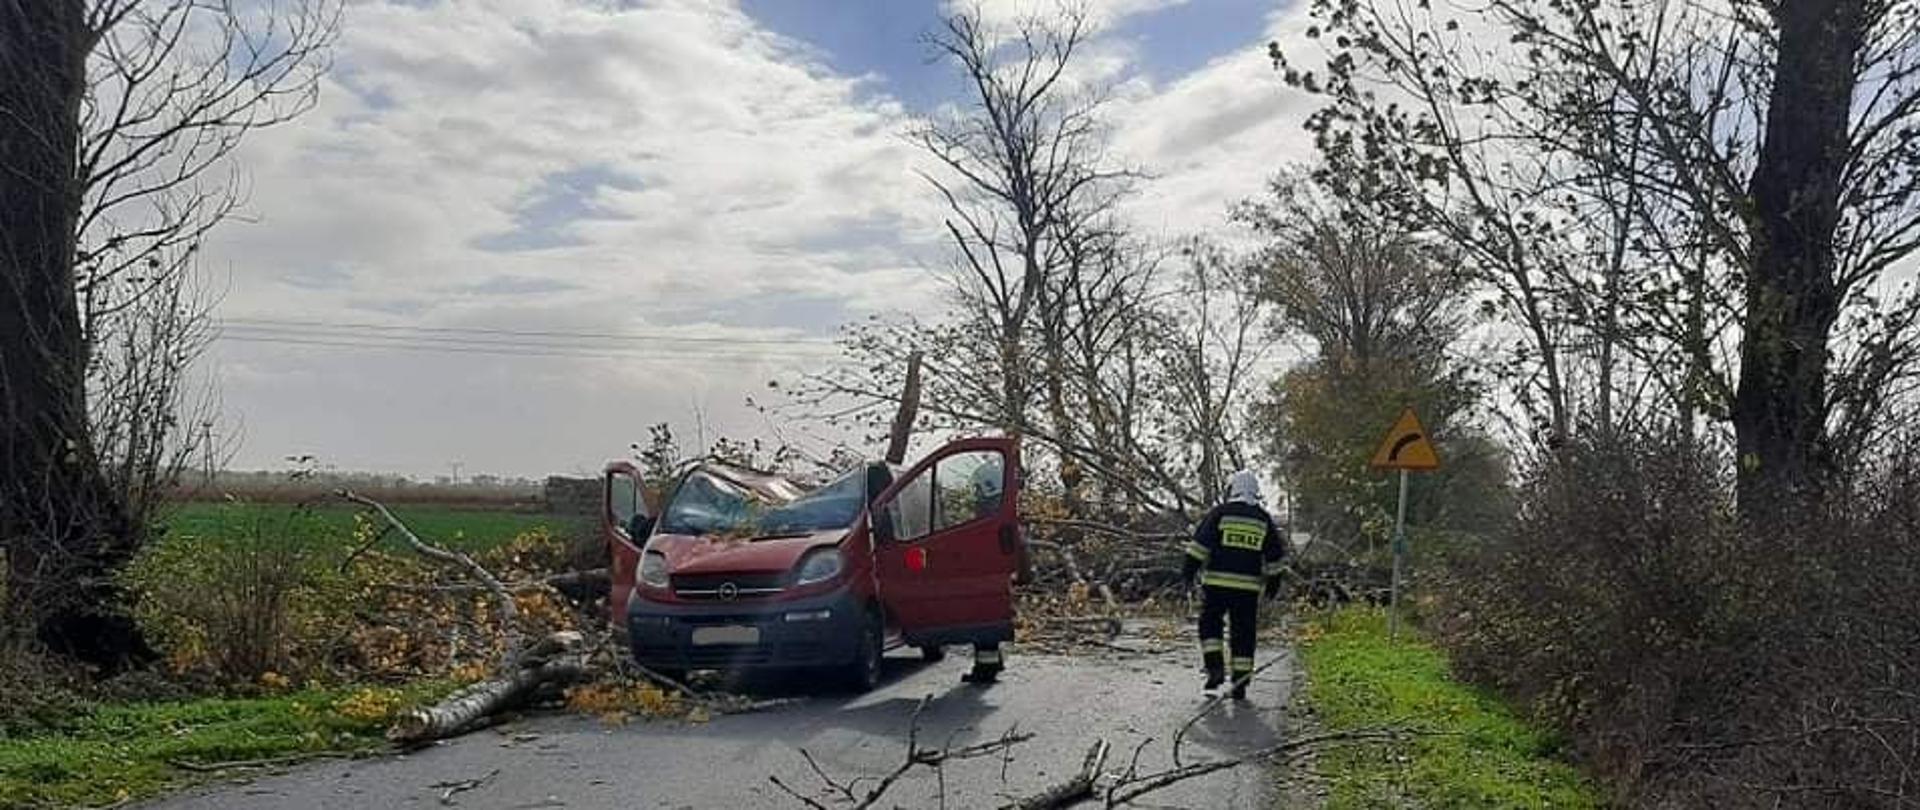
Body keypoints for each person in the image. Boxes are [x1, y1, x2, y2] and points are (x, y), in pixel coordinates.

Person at [1181, 470, 1286, 700]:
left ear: (1232, 489)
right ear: (1256, 492)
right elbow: (1275, 557)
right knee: (1244, 633)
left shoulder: (1220, 513)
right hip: (1247, 590)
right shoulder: (1263, 519)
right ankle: (1240, 681)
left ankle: (1215, 668)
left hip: (1216, 585)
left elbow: (1199, 547)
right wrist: (1272, 587)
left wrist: (1188, 574)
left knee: (1210, 625)